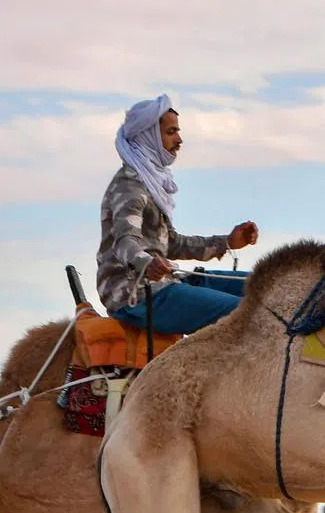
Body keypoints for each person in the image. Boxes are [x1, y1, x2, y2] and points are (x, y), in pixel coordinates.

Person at [96, 94, 260, 335]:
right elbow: (125, 241)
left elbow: (170, 243)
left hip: (164, 282)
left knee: (265, 285)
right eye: (171, 132)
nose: (179, 139)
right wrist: (146, 263)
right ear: (148, 136)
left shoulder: (151, 181)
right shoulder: (130, 186)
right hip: (135, 294)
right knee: (247, 313)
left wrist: (225, 242)